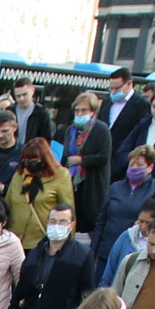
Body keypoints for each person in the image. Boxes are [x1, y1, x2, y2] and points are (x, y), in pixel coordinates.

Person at [9, 201, 94, 309]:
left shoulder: (81, 254)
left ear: (72, 225)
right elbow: (21, 290)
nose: (57, 226)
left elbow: (87, 293)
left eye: (62, 221)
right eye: (53, 221)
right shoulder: (35, 253)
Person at [93, 145, 155, 267]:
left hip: (136, 254)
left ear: (150, 167)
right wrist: (93, 251)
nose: (134, 168)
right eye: (131, 164)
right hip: (108, 251)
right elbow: (101, 222)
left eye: (139, 165)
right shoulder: (116, 188)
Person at [65, 92, 114, 223]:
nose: (80, 113)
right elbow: (65, 154)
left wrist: (82, 160)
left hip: (93, 183)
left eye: (84, 110)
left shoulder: (101, 129)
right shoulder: (71, 130)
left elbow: (104, 156)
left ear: (93, 111)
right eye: (77, 110)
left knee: (92, 220)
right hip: (72, 181)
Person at [98, 199, 155, 289]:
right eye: (141, 221)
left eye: (148, 223)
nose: (143, 226)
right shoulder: (126, 237)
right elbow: (109, 271)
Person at [102, 67, 152, 174]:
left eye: (117, 88)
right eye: (111, 88)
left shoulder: (141, 105)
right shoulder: (106, 103)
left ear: (129, 84)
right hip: (103, 161)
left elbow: (140, 136)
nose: (114, 92)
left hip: (124, 163)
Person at [5, 78, 54, 149]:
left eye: (24, 94)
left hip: (32, 154)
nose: (21, 98)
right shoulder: (10, 111)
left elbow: (45, 140)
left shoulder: (41, 112)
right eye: (18, 96)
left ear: (33, 91)